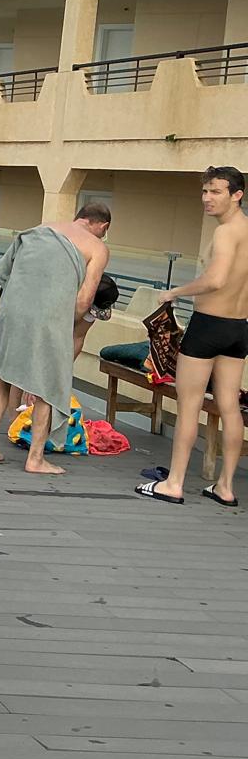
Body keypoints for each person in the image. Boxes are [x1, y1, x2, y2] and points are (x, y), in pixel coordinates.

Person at [139, 166, 247, 507]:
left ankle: (174, 483)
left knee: (189, 406)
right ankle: (225, 487)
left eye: (215, 191)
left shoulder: (227, 233)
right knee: (229, 406)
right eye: (204, 191)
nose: (206, 198)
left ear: (236, 194)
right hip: (239, 326)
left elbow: (215, 280)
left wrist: (174, 292)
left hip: (209, 325)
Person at [0, 202, 111, 474]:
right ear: (102, 226)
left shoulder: (40, 228)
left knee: (2, 372)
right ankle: (35, 459)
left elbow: (3, 270)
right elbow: (85, 298)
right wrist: (66, 324)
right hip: (51, 316)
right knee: (48, 387)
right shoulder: (97, 247)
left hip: (13, 307)